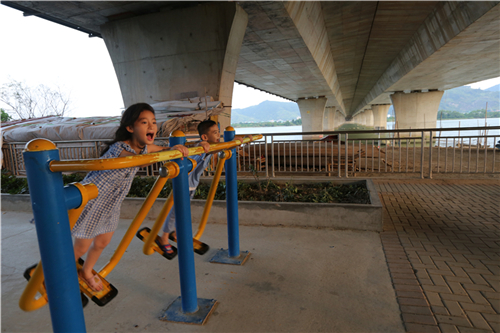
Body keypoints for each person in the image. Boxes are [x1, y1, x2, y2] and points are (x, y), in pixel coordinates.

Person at [71, 103, 202, 292]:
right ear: (130, 128)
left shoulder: (142, 149)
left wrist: (177, 148)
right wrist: (161, 153)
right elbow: (134, 159)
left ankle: (87, 271)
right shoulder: (119, 148)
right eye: (144, 122)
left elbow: (156, 149)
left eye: (154, 122)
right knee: (81, 247)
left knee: (102, 242)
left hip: (111, 204)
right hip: (93, 200)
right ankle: (55, 276)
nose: (151, 126)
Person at [156, 120, 253, 254]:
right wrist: (203, 144)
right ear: (205, 137)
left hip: (191, 185)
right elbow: (198, 147)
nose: (218, 135)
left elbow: (220, 146)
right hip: (183, 185)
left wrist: (236, 141)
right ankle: (164, 238)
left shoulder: (210, 146)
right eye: (215, 133)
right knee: (175, 213)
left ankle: (176, 234)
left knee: (182, 212)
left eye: (218, 132)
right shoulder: (202, 147)